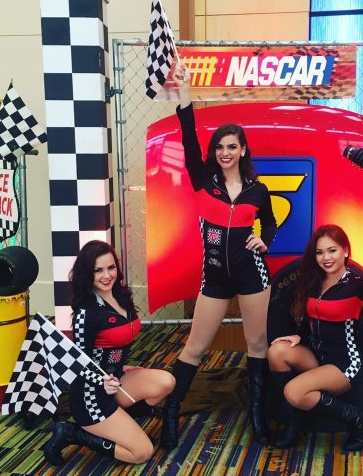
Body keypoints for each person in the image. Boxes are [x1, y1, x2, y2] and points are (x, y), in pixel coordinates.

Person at [160, 62, 278, 450]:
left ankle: (257, 415)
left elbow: (270, 223)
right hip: (215, 278)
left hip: (252, 276)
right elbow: (188, 137)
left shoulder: (258, 190)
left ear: (242, 150)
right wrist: (185, 93)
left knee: (257, 346)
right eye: (220, 147)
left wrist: (265, 241)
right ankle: (171, 412)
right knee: (195, 346)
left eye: (232, 146)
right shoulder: (203, 181)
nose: (225, 152)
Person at [267, 212, 363, 451]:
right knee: (276, 351)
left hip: (344, 365)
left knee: (293, 391)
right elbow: (311, 316)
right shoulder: (314, 281)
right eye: (320, 252)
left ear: (345, 251)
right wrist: (299, 336)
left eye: (332, 250)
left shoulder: (356, 285)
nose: (326, 258)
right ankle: (294, 423)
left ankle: (356, 417)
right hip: (317, 356)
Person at [43, 240, 176, 465]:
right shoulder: (86, 312)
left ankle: (120, 421)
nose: (107, 276)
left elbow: (115, 343)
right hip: (91, 396)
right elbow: (78, 362)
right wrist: (101, 380)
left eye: (111, 267)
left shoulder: (122, 296)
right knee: (142, 452)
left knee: (166, 381)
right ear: (87, 273)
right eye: (98, 270)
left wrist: (121, 366)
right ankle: (72, 433)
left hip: (116, 379)